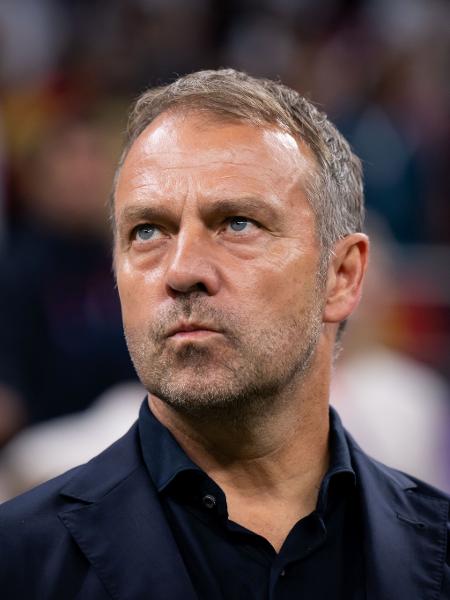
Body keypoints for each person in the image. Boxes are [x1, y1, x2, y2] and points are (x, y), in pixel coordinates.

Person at [0, 69, 448, 599]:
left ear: (342, 276)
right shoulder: (17, 564)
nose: (181, 269)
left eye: (237, 222)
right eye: (147, 231)